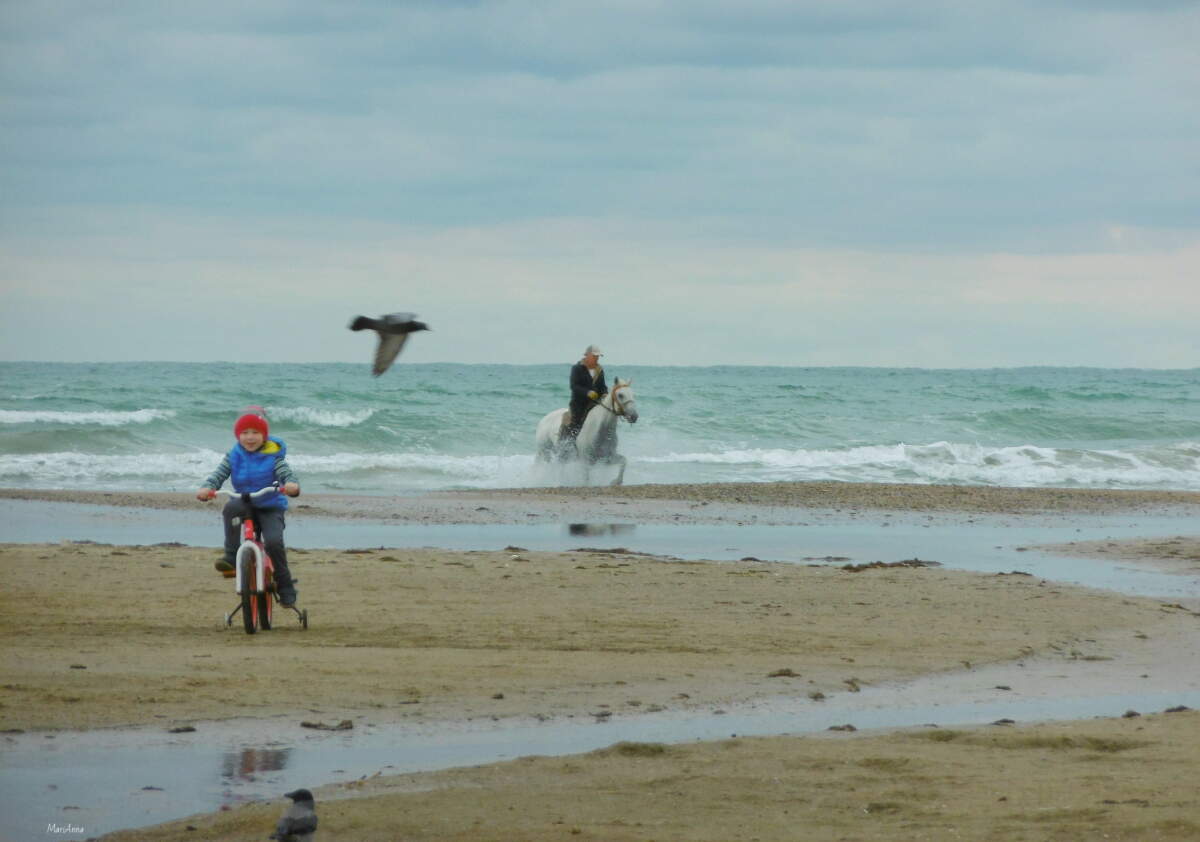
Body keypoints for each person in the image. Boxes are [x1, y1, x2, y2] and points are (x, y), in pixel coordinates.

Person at [196, 408, 302, 606]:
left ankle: (285, 584)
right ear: (238, 436)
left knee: (273, 542)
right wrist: (208, 487)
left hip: (270, 505)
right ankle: (231, 554)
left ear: (264, 435)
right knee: (230, 509)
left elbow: (286, 473)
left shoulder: (274, 455)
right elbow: (219, 473)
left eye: (255, 432)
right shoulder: (234, 455)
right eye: (245, 433)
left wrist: (291, 485)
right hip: (245, 502)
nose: (250, 437)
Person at [566, 344, 608, 440]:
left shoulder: (599, 370)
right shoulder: (577, 368)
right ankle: (569, 443)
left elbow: (603, 386)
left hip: (595, 403)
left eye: (598, 356)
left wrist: (605, 393)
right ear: (587, 355)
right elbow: (574, 386)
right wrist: (587, 392)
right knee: (576, 423)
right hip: (579, 403)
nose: (596, 358)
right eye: (594, 356)